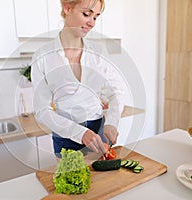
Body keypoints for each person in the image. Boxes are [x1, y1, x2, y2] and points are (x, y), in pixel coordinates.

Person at [31, 0, 125, 158]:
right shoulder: (42, 57)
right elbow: (42, 110)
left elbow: (117, 90)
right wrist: (80, 133)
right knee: (71, 182)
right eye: (86, 14)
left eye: (95, 17)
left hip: (99, 132)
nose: (91, 23)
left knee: (104, 182)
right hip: (65, 137)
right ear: (67, 8)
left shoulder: (98, 53)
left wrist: (112, 122)